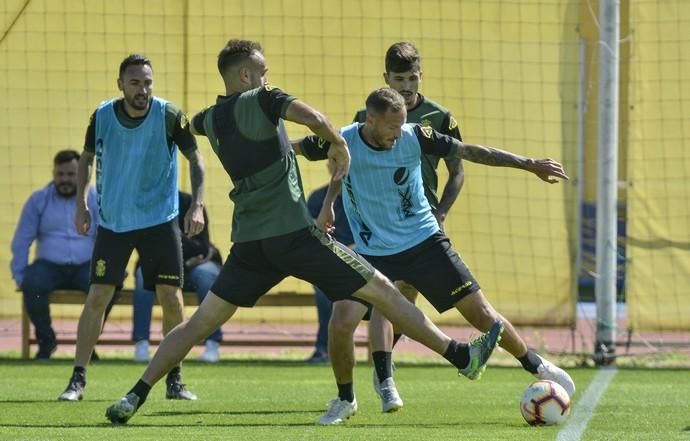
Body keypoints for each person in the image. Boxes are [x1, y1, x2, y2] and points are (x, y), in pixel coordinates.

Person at [104, 38, 504, 426]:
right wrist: (337, 144)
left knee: (197, 325)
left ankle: (133, 395)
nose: (267, 76)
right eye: (261, 71)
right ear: (245, 75)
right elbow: (312, 116)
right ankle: (460, 356)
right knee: (383, 289)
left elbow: (201, 127)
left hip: (249, 243)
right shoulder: (263, 98)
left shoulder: (210, 118)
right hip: (294, 234)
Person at [299, 87, 576, 422]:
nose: (398, 134)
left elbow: (472, 152)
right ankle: (346, 398)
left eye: (402, 126)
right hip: (373, 253)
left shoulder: (416, 136)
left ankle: (538, 365)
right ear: (370, 120)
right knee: (341, 322)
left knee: (482, 315)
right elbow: (292, 148)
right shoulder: (343, 141)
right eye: (392, 128)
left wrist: (528, 164)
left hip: (425, 242)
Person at [58, 54, 206, 402]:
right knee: (98, 297)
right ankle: (77, 379)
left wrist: (197, 204)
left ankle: (175, 379)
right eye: (136, 82)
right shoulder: (102, 115)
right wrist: (81, 204)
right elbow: (86, 159)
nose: (143, 89)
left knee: (170, 297)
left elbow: (196, 159)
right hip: (114, 223)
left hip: (159, 220)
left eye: (148, 82)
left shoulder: (170, 115)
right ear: (121, 84)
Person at [352, 41, 466, 410]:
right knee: (386, 298)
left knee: (407, 302)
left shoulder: (440, 117)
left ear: (421, 76)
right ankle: (384, 377)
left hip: (423, 224)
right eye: (398, 78)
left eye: (411, 78)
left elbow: (458, 171)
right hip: (383, 227)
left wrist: (443, 210)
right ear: (386, 78)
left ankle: (383, 364)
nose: (406, 85)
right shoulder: (367, 116)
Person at [10, 150, 118, 359]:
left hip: (85, 265)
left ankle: (88, 343)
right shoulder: (38, 200)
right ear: (53, 173)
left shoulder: (96, 199)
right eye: (60, 174)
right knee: (32, 283)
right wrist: (20, 274)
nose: (65, 180)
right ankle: (46, 340)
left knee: (109, 284)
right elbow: (22, 240)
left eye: (71, 174)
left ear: (81, 174)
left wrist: (110, 267)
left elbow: (108, 237)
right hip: (49, 266)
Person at [132, 191, 223, 363]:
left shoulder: (191, 203)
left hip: (193, 267)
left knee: (206, 275)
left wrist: (172, 239)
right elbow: (143, 245)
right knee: (142, 275)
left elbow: (202, 248)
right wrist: (181, 242)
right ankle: (141, 343)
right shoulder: (146, 203)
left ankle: (212, 344)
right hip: (160, 267)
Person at [304, 185, 354, 364]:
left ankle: (385, 355)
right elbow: (310, 236)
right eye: (332, 161)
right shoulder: (317, 198)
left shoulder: (364, 196)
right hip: (329, 262)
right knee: (323, 289)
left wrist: (354, 250)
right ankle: (323, 350)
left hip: (364, 260)